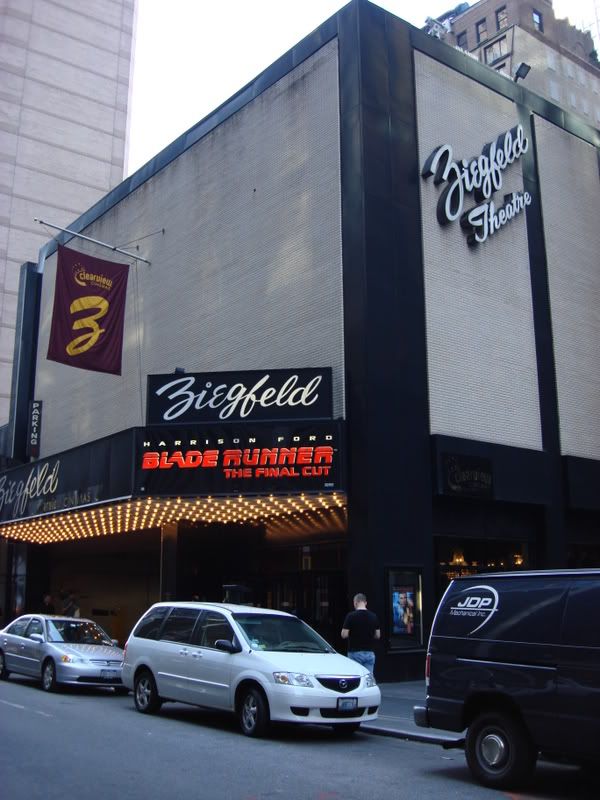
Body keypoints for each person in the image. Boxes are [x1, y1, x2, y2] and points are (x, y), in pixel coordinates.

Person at [340, 592, 380, 674]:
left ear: (355, 603)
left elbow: (344, 635)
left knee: (356, 677)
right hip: (370, 652)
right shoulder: (374, 616)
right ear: (365, 603)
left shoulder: (350, 616)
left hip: (355, 652)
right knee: (368, 678)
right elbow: (378, 635)